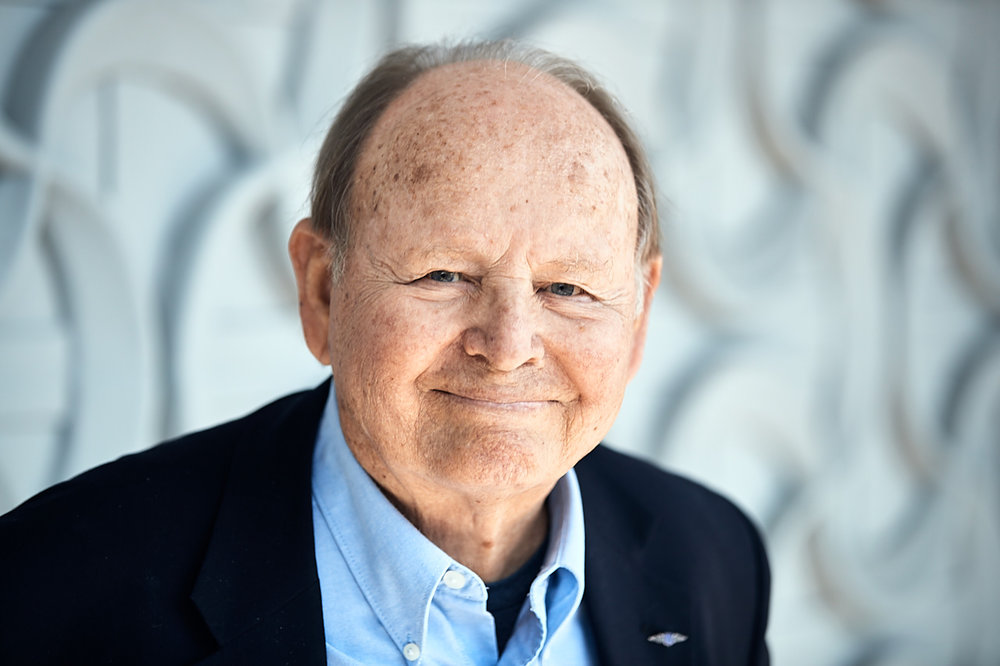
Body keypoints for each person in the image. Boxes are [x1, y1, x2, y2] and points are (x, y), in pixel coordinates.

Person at [0, 40, 769, 665]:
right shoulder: (60, 586)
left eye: (568, 288)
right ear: (322, 292)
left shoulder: (713, 557)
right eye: (444, 275)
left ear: (638, 318)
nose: (507, 347)